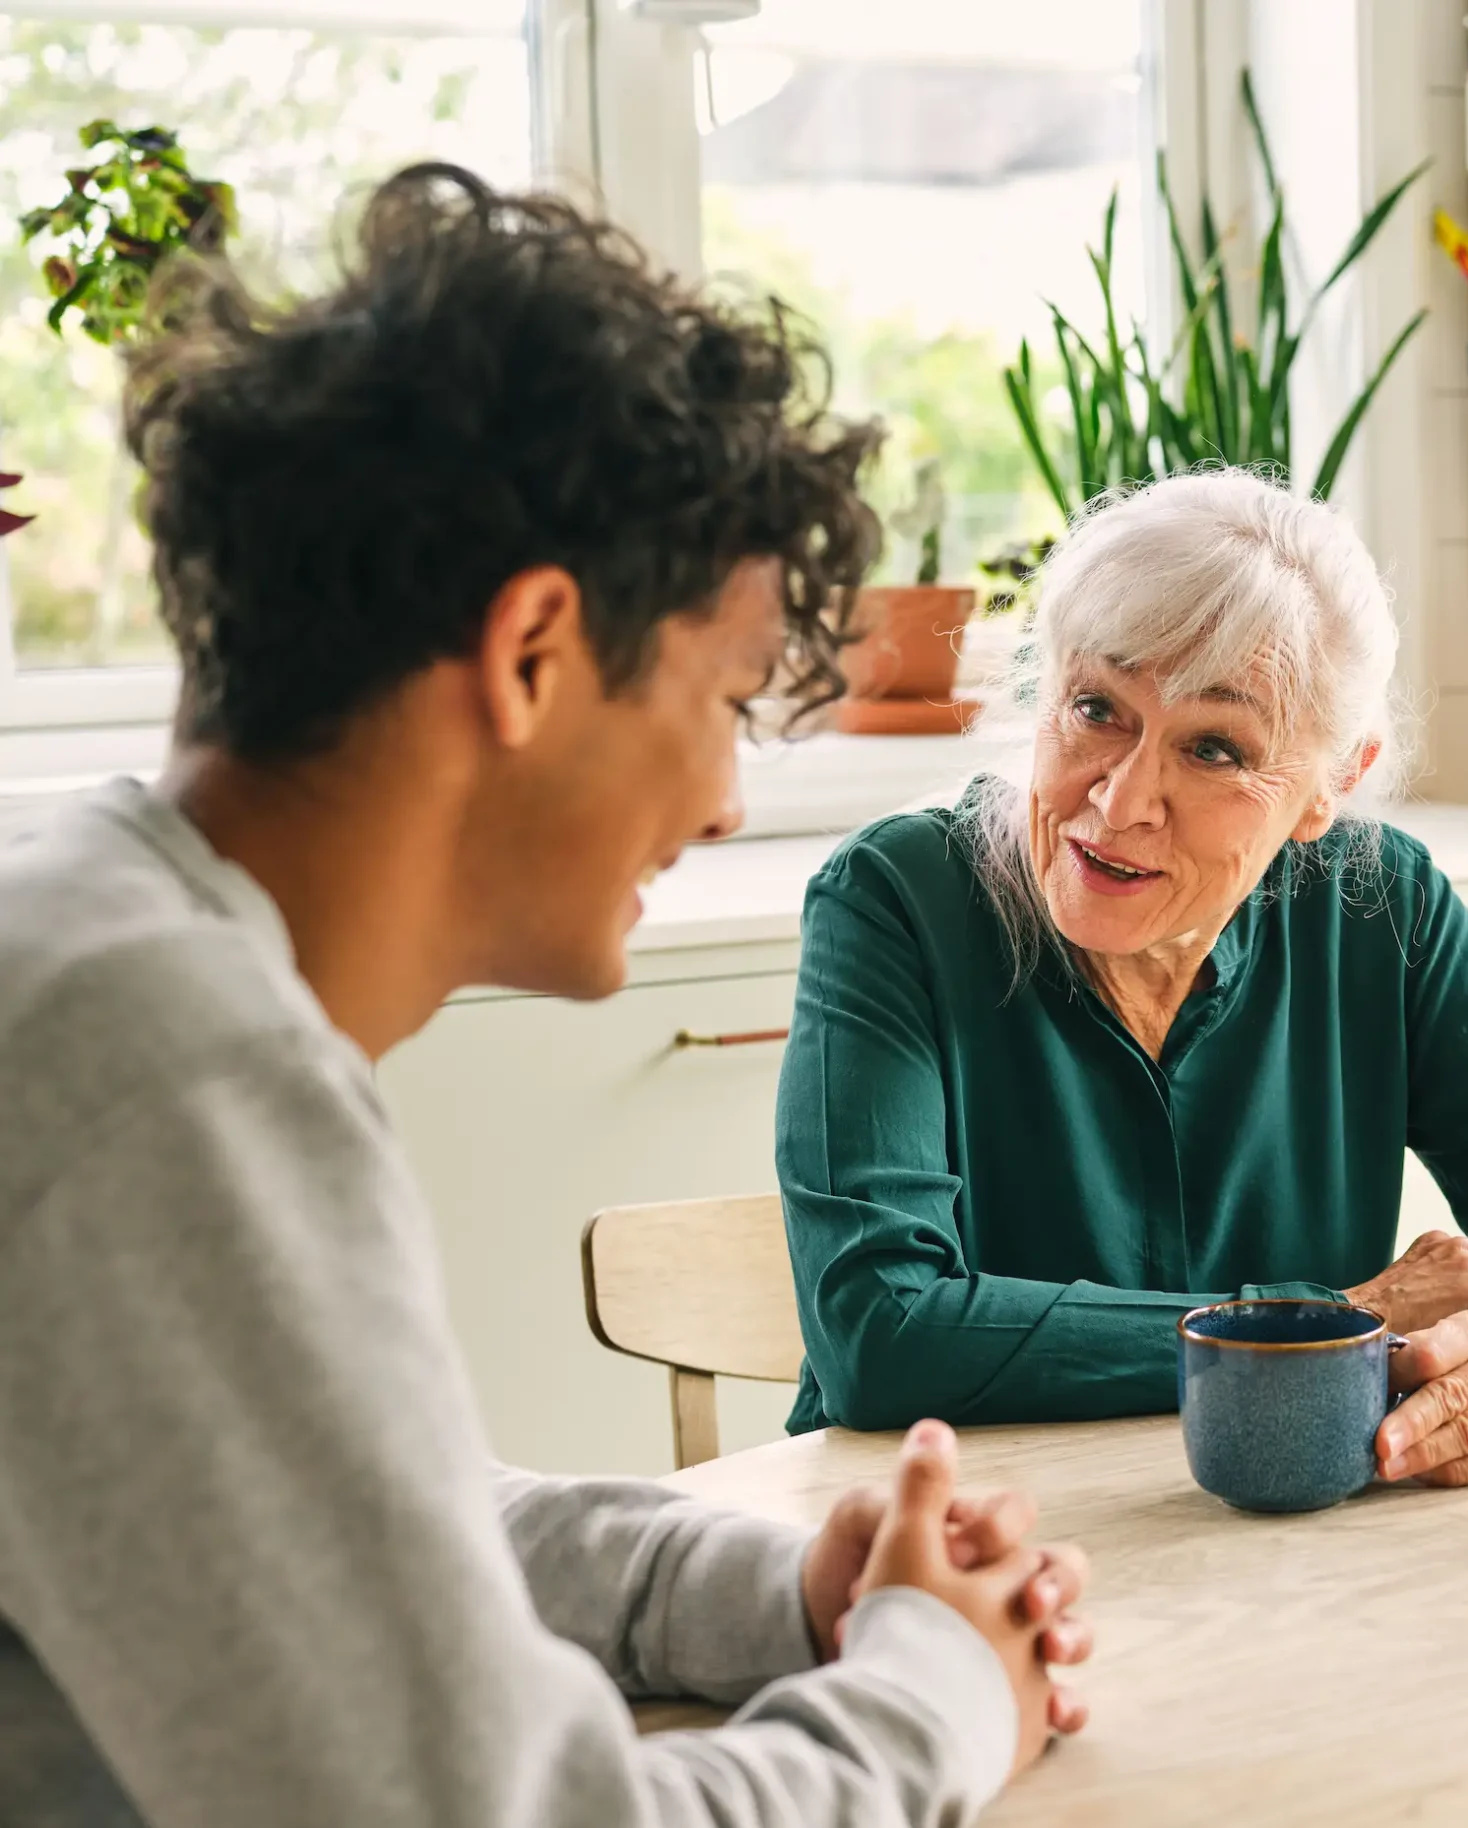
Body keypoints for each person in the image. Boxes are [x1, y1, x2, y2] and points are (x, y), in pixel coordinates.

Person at [0, 165, 1091, 1828]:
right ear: (530, 652)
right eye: (725, 697)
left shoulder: (111, 931)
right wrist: (931, 1692)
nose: (727, 798)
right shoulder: (163, 1066)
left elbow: (360, 1517)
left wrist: (781, 1586)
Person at [777, 470, 1468, 1488]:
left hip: (1279, 1557)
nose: (1123, 798)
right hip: (940, 1547)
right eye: (1096, 707)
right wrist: (1333, 1319)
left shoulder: (1376, 907)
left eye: (1214, 749)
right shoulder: (894, 898)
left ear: (1329, 784)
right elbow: (879, 1330)